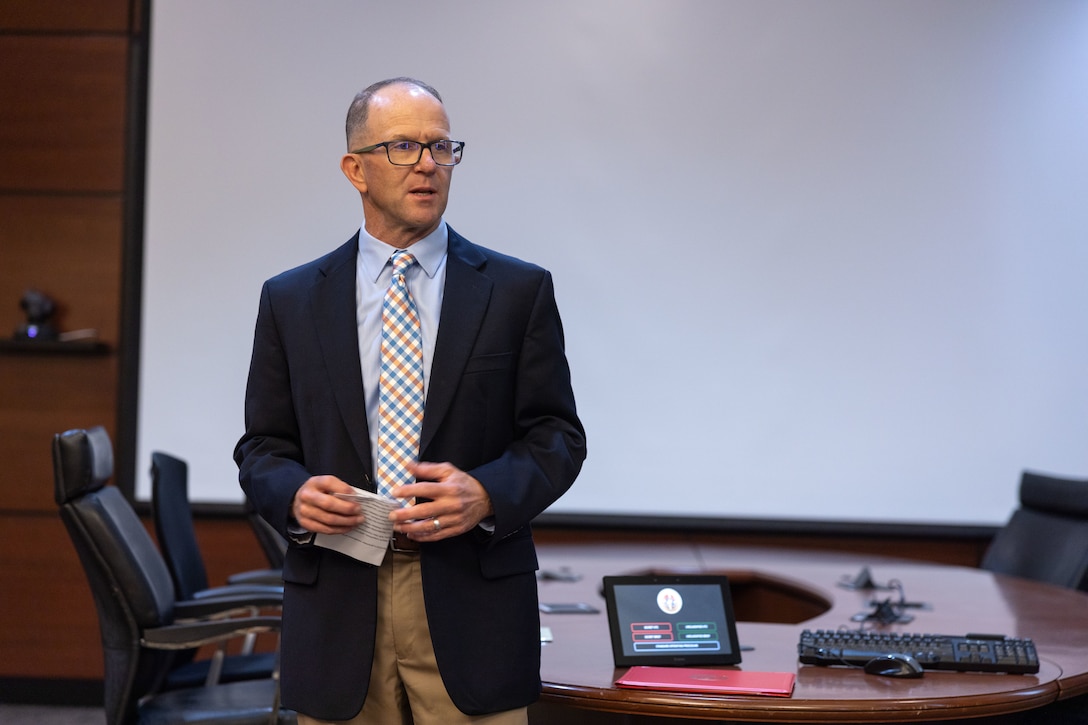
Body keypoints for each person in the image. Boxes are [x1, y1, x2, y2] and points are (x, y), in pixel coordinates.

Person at [234, 77, 586, 724]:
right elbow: (262, 448)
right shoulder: (291, 300)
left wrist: (486, 493)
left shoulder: (516, 292)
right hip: (339, 599)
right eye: (404, 146)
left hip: (469, 602)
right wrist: (292, 494)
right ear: (355, 168)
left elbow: (557, 437)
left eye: (441, 147)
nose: (428, 163)